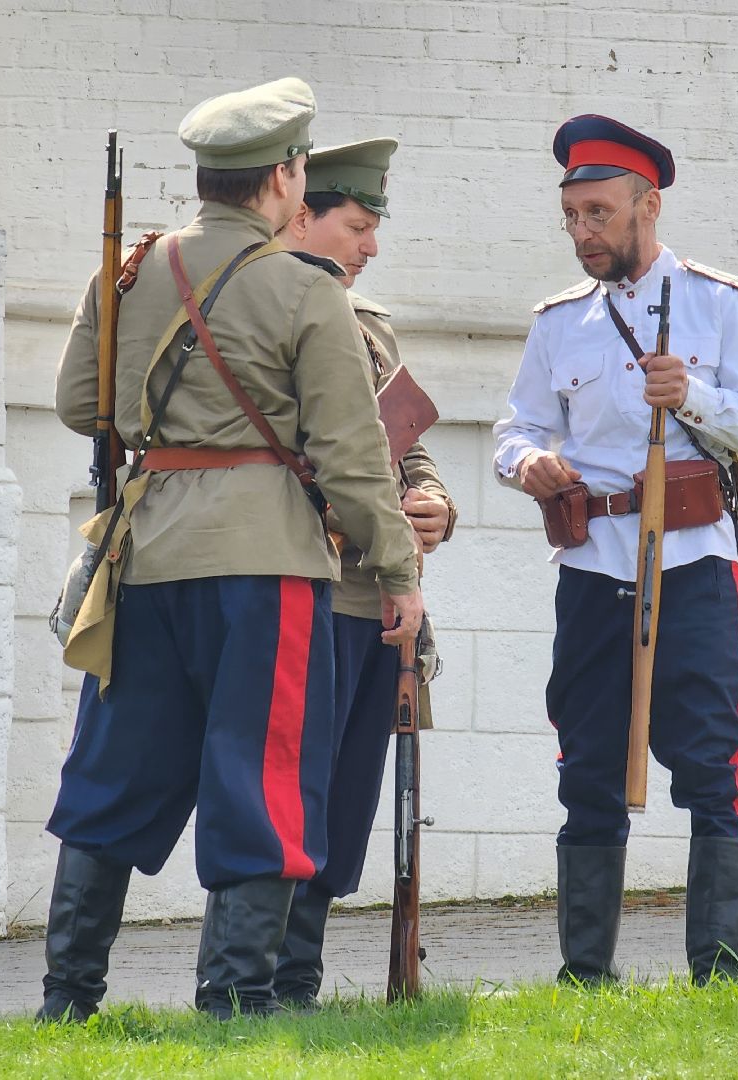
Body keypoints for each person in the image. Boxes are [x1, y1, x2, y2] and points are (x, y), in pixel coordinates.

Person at [44, 77, 424, 1021]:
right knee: (266, 774)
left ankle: (67, 998)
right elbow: (349, 455)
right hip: (267, 568)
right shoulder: (305, 290)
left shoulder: (130, 270)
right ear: (287, 176)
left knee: (114, 770)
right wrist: (397, 570)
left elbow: (79, 409)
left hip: (149, 555)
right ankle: (236, 998)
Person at [492, 114, 738, 983]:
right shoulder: (558, 323)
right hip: (592, 568)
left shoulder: (719, 302)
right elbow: (518, 428)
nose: (582, 233)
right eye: (571, 217)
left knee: (710, 762)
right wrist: (528, 463)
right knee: (585, 763)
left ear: (645, 205)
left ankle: (719, 974)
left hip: (696, 561)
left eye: (598, 213)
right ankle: (586, 975)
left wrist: (692, 394)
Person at [271, 138, 456, 1007]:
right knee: (291, 787)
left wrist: (432, 506)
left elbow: (408, 452)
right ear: (302, 215)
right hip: (301, 584)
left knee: (347, 791)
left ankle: (300, 970)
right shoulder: (267, 315)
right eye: (357, 225)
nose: (369, 246)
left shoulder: (369, 324)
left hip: (372, 600)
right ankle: (265, 974)